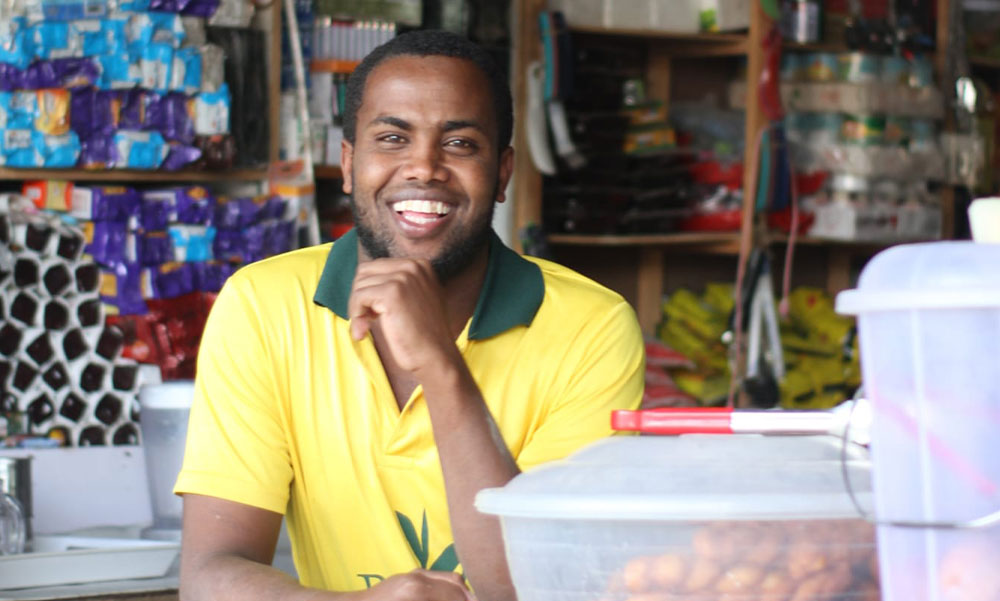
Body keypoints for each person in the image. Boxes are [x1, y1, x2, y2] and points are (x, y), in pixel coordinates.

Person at [173, 29, 644, 601]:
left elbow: (531, 587)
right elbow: (210, 574)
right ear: (349, 164)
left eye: (461, 144)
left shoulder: (591, 328)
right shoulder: (262, 304)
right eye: (393, 138)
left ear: (502, 173)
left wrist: (440, 365)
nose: (424, 167)